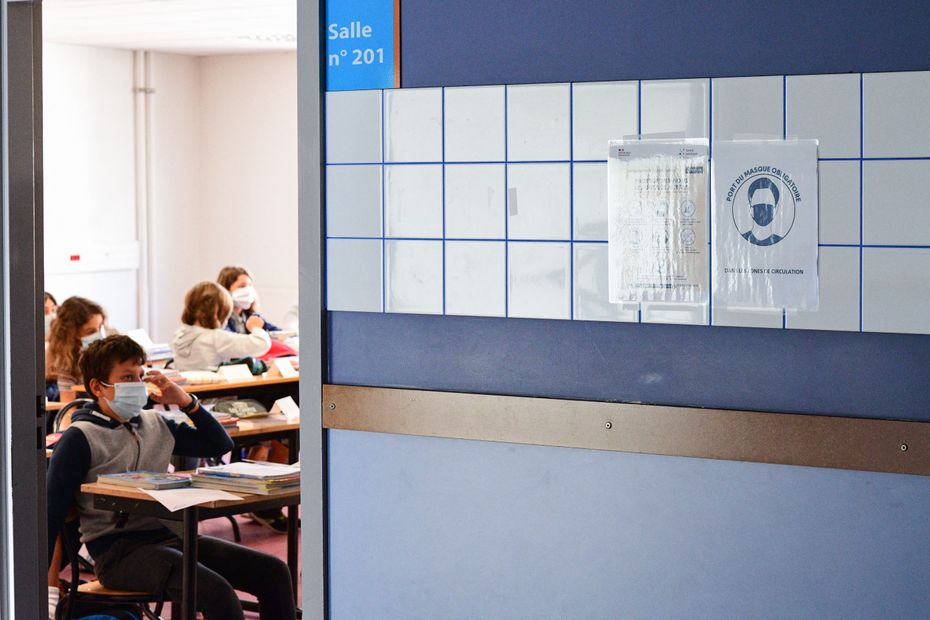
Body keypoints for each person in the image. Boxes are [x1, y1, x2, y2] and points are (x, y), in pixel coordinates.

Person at [46, 335, 296, 619]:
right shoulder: (80, 438)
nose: (138, 384)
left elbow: (219, 445)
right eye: (127, 377)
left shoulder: (155, 423)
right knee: (217, 593)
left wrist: (187, 402)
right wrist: (43, 589)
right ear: (97, 387)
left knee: (273, 571)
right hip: (118, 553)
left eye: (141, 375)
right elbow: (51, 513)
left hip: (170, 537)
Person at [171, 281, 271, 372]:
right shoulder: (215, 338)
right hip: (214, 389)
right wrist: (256, 328)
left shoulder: (180, 334)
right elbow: (261, 344)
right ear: (217, 314)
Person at [46, 296, 109, 404]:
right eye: (90, 331)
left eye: (100, 328)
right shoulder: (67, 363)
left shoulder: (105, 354)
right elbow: (68, 408)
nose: (98, 335)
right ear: (72, 333)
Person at [217, 266, 280, 334]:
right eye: (242, 286)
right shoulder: (219, 318)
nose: (248, 290)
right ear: (225, 290)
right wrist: (256, 330)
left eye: (250, 285)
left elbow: (279, 332)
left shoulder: (251, 315)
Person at [741, 176, 784, 247]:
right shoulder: (741, 240)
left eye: (768, 207)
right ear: (750, 209)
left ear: (776, 209)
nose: (763, 212)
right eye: (758, 206)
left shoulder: (782, 242)